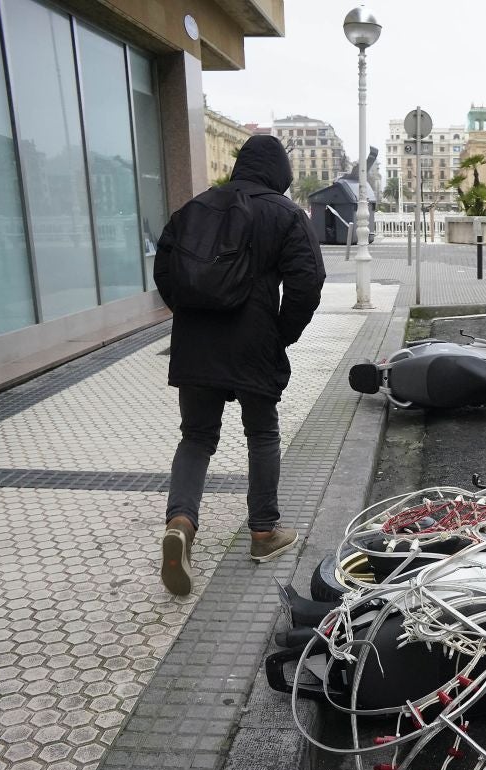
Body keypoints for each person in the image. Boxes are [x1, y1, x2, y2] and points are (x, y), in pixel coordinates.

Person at [154, 135, 325, 596]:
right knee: (262, 433)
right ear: (280, 173)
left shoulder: (194, 209)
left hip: (195, 345)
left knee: (196, 437)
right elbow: (308, 283)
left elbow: (165, 273)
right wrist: (280, 332)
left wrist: (192, 314)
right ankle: (264, 532)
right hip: (254, 343)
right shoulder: (285, 213)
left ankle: (181, 522)